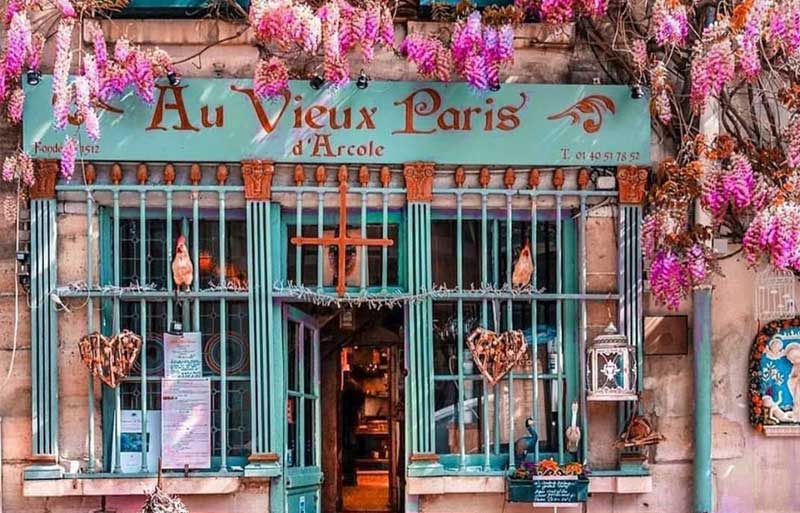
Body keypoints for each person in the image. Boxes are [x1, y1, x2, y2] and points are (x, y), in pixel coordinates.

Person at [341, 373, 366, 486]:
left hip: (346, 423)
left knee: (348, 451)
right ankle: (351, 478)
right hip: (351, 422)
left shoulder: (349, 389)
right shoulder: (357, 388)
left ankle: (349, 478)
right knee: (350, 451)